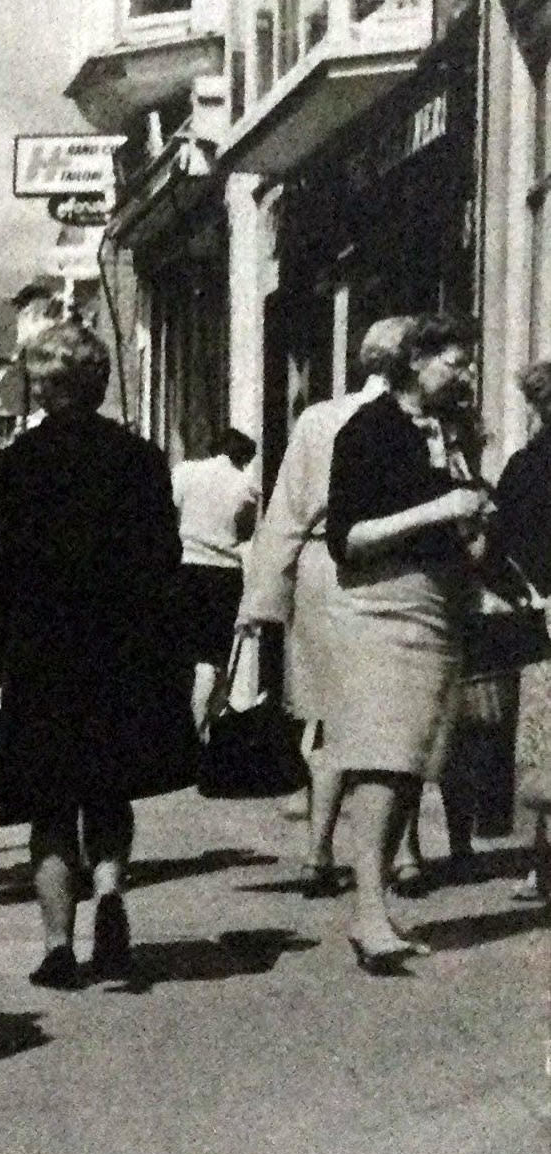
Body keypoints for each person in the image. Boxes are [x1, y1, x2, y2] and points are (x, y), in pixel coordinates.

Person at [0, 321, 189, 990]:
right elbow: (165, 562)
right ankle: (110, 894)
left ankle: (57, 945)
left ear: (43, 387)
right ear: (98, 382)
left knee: (48, 805)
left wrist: (2, 644)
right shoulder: (142, 459)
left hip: (43, 651)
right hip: (119, 651)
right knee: (108, 788)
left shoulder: (11, 466)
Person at [324, 313, 491, 973]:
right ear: (415, 361)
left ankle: (377, 907)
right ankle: (367, 910)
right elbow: (348, 537)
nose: (465, 373)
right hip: (384, 608)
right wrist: (439, 510)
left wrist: (475, 524)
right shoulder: (368, 431)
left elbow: (453, 507)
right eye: (454, 361)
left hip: (438, 605)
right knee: (383, 759)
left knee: (412, 759)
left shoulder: (448, 430)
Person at [236, 317, 415, 897]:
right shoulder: (416, 425)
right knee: (395, 716)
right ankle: (404, 855)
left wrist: (262, 600)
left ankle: (318, 851)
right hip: (388, 569)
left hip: (319, 571)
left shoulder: (317, 419)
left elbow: (286, 513)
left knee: (332, 719)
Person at [487, 360, 551, 902]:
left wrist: (526, 593)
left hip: (542, 618)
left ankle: (541, 866)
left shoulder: (524, 468)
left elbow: (494, 549)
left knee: (544, 746)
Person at [172, 428, 259, 730]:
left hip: (185, 569)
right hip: (224, 575)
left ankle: (188, 724)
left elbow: (169, 516)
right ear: (242, 457)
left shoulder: (184, 473)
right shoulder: (246, 485)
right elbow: (246, 535)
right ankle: (203, 723)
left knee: (185, 652)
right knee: (213, 655)